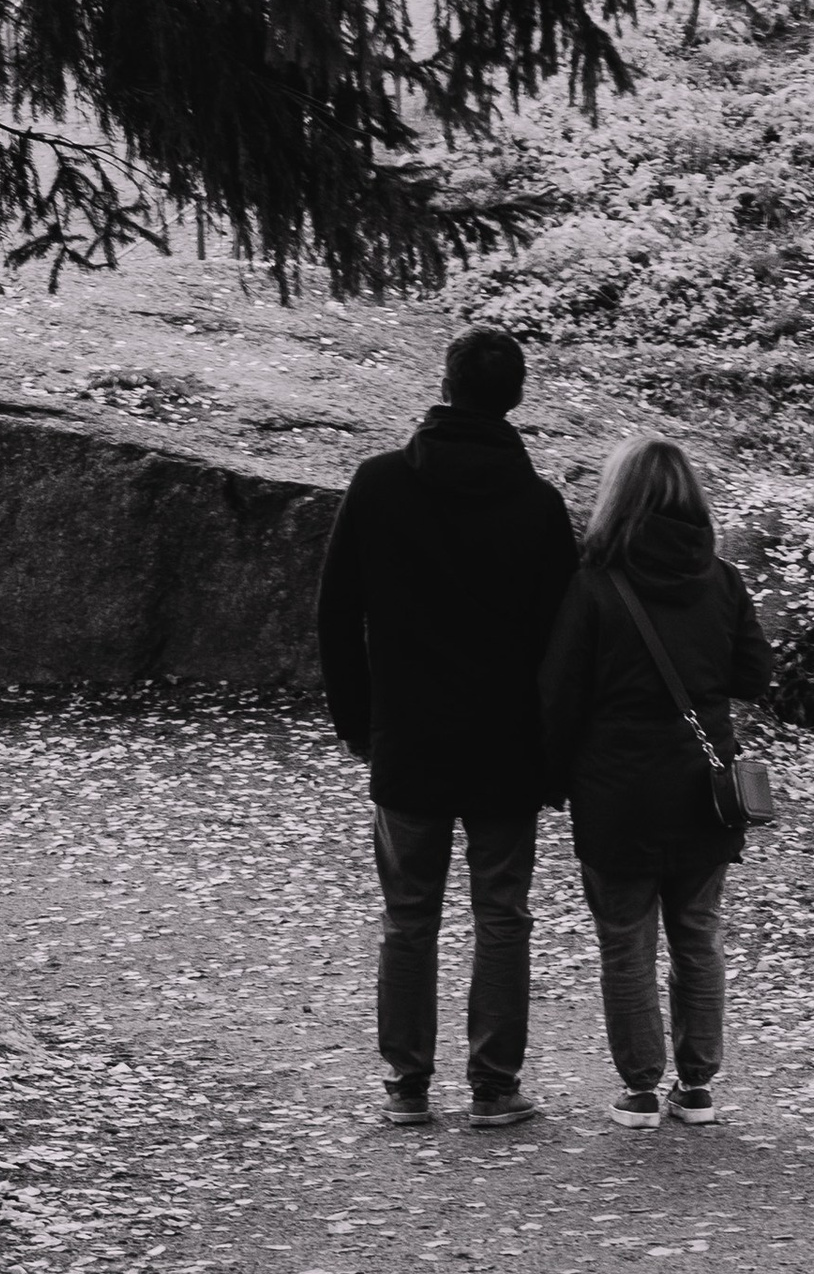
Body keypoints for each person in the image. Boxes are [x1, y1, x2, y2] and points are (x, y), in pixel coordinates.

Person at [316, 323, 579, 1129]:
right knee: (502, 913)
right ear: (516, 397)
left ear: (446, 383)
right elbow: (562, 642)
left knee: (408, 914)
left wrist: (361, 725)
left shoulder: (380, 484)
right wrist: (555, 749)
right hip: (507, 745)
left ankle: (407, 1085)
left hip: (411, 738)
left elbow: (335, 615)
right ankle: (495, 1087)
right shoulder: (537, 506)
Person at [538, 432, 773, 1126]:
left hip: (616, 794)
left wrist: (552, 781)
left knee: (626, 943)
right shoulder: (724, 579)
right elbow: (754, 676)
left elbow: (558, 698)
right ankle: (697, 1087)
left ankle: (640, 1088)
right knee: (698, 935)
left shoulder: (594, 587)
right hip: (703, 793)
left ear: (618, 498)